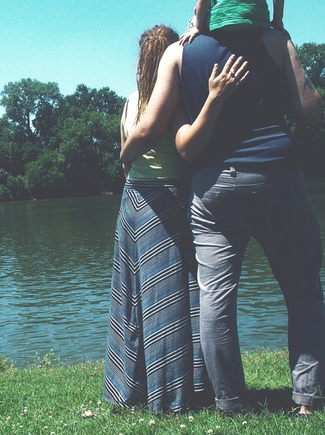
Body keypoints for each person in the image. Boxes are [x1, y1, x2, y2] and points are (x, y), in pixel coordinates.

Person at [120, 24, 325, 417]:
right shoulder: (273, 39)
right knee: (303, 292)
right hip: (279, 175)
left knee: (216, 298)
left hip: (214, 186)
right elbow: (311, 111)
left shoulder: (181, 53)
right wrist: (287, 49)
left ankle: (231, 403)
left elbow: (183, 146)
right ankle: (308, 400)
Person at [103, 25, 246, 413]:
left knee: (134, 298)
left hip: (133, 199)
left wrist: (125, 158)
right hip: (168, 198)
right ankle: (176, 394)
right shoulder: (176, 98)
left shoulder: (131, 101)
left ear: (140, 60)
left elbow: (126, 152)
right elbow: (163, 142)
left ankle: (131, 388)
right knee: (173, 298)